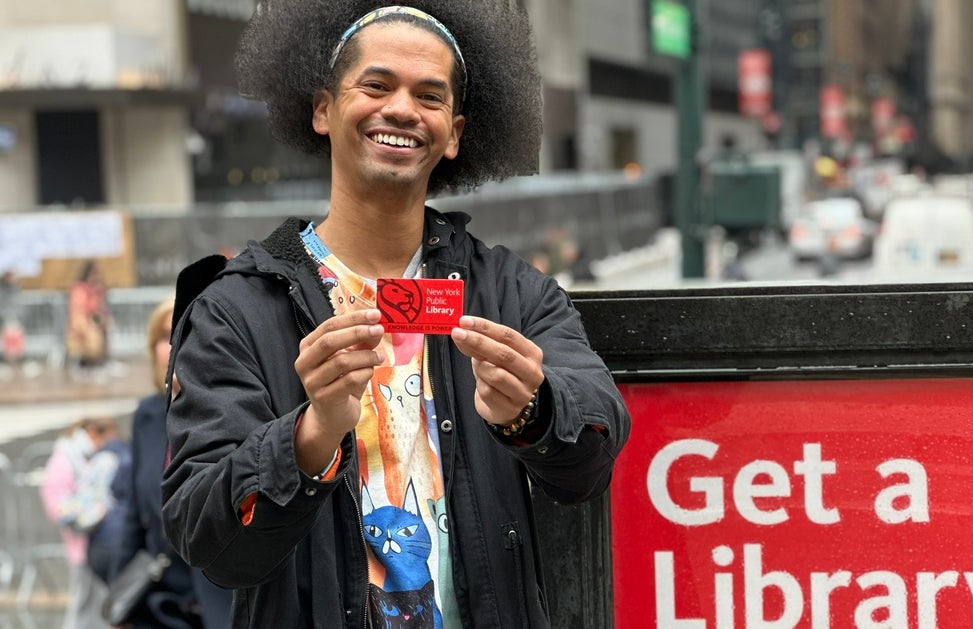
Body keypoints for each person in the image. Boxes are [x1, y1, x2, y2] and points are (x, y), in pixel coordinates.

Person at [161, 3, 630, 628]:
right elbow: (206, 537)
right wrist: (311, 434)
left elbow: (594, 457)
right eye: (376, 86)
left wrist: (534, 411)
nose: (403, 109)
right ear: (322, 108)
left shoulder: (513, 292)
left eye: (429, 96)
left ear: (455, 132)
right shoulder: (235, 309)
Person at [111, 298, 231, 628]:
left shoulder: (235, 411)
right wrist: (120, 598)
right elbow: (135, 517)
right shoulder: (146, 416)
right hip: (161, 606)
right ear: (153, 350)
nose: (176, 343)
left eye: (189, 332)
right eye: (167, 335)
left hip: (224, 606)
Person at [40, 417, 121, 629]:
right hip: (81, 542)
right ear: (92, 432)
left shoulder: (82, 457)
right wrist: (94, 510)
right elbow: (58, 506)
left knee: (97, 602)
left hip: (96, 541)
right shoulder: (66, 458)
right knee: (85, 602)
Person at [66, 261, 110, 375]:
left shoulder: (96, 289)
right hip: (83, 320)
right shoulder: (80, 290)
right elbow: (77, 309)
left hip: (93, 318)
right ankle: (85, 367)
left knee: (98, 343)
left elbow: (99, 309)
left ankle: (97, 364)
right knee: (88, 346)